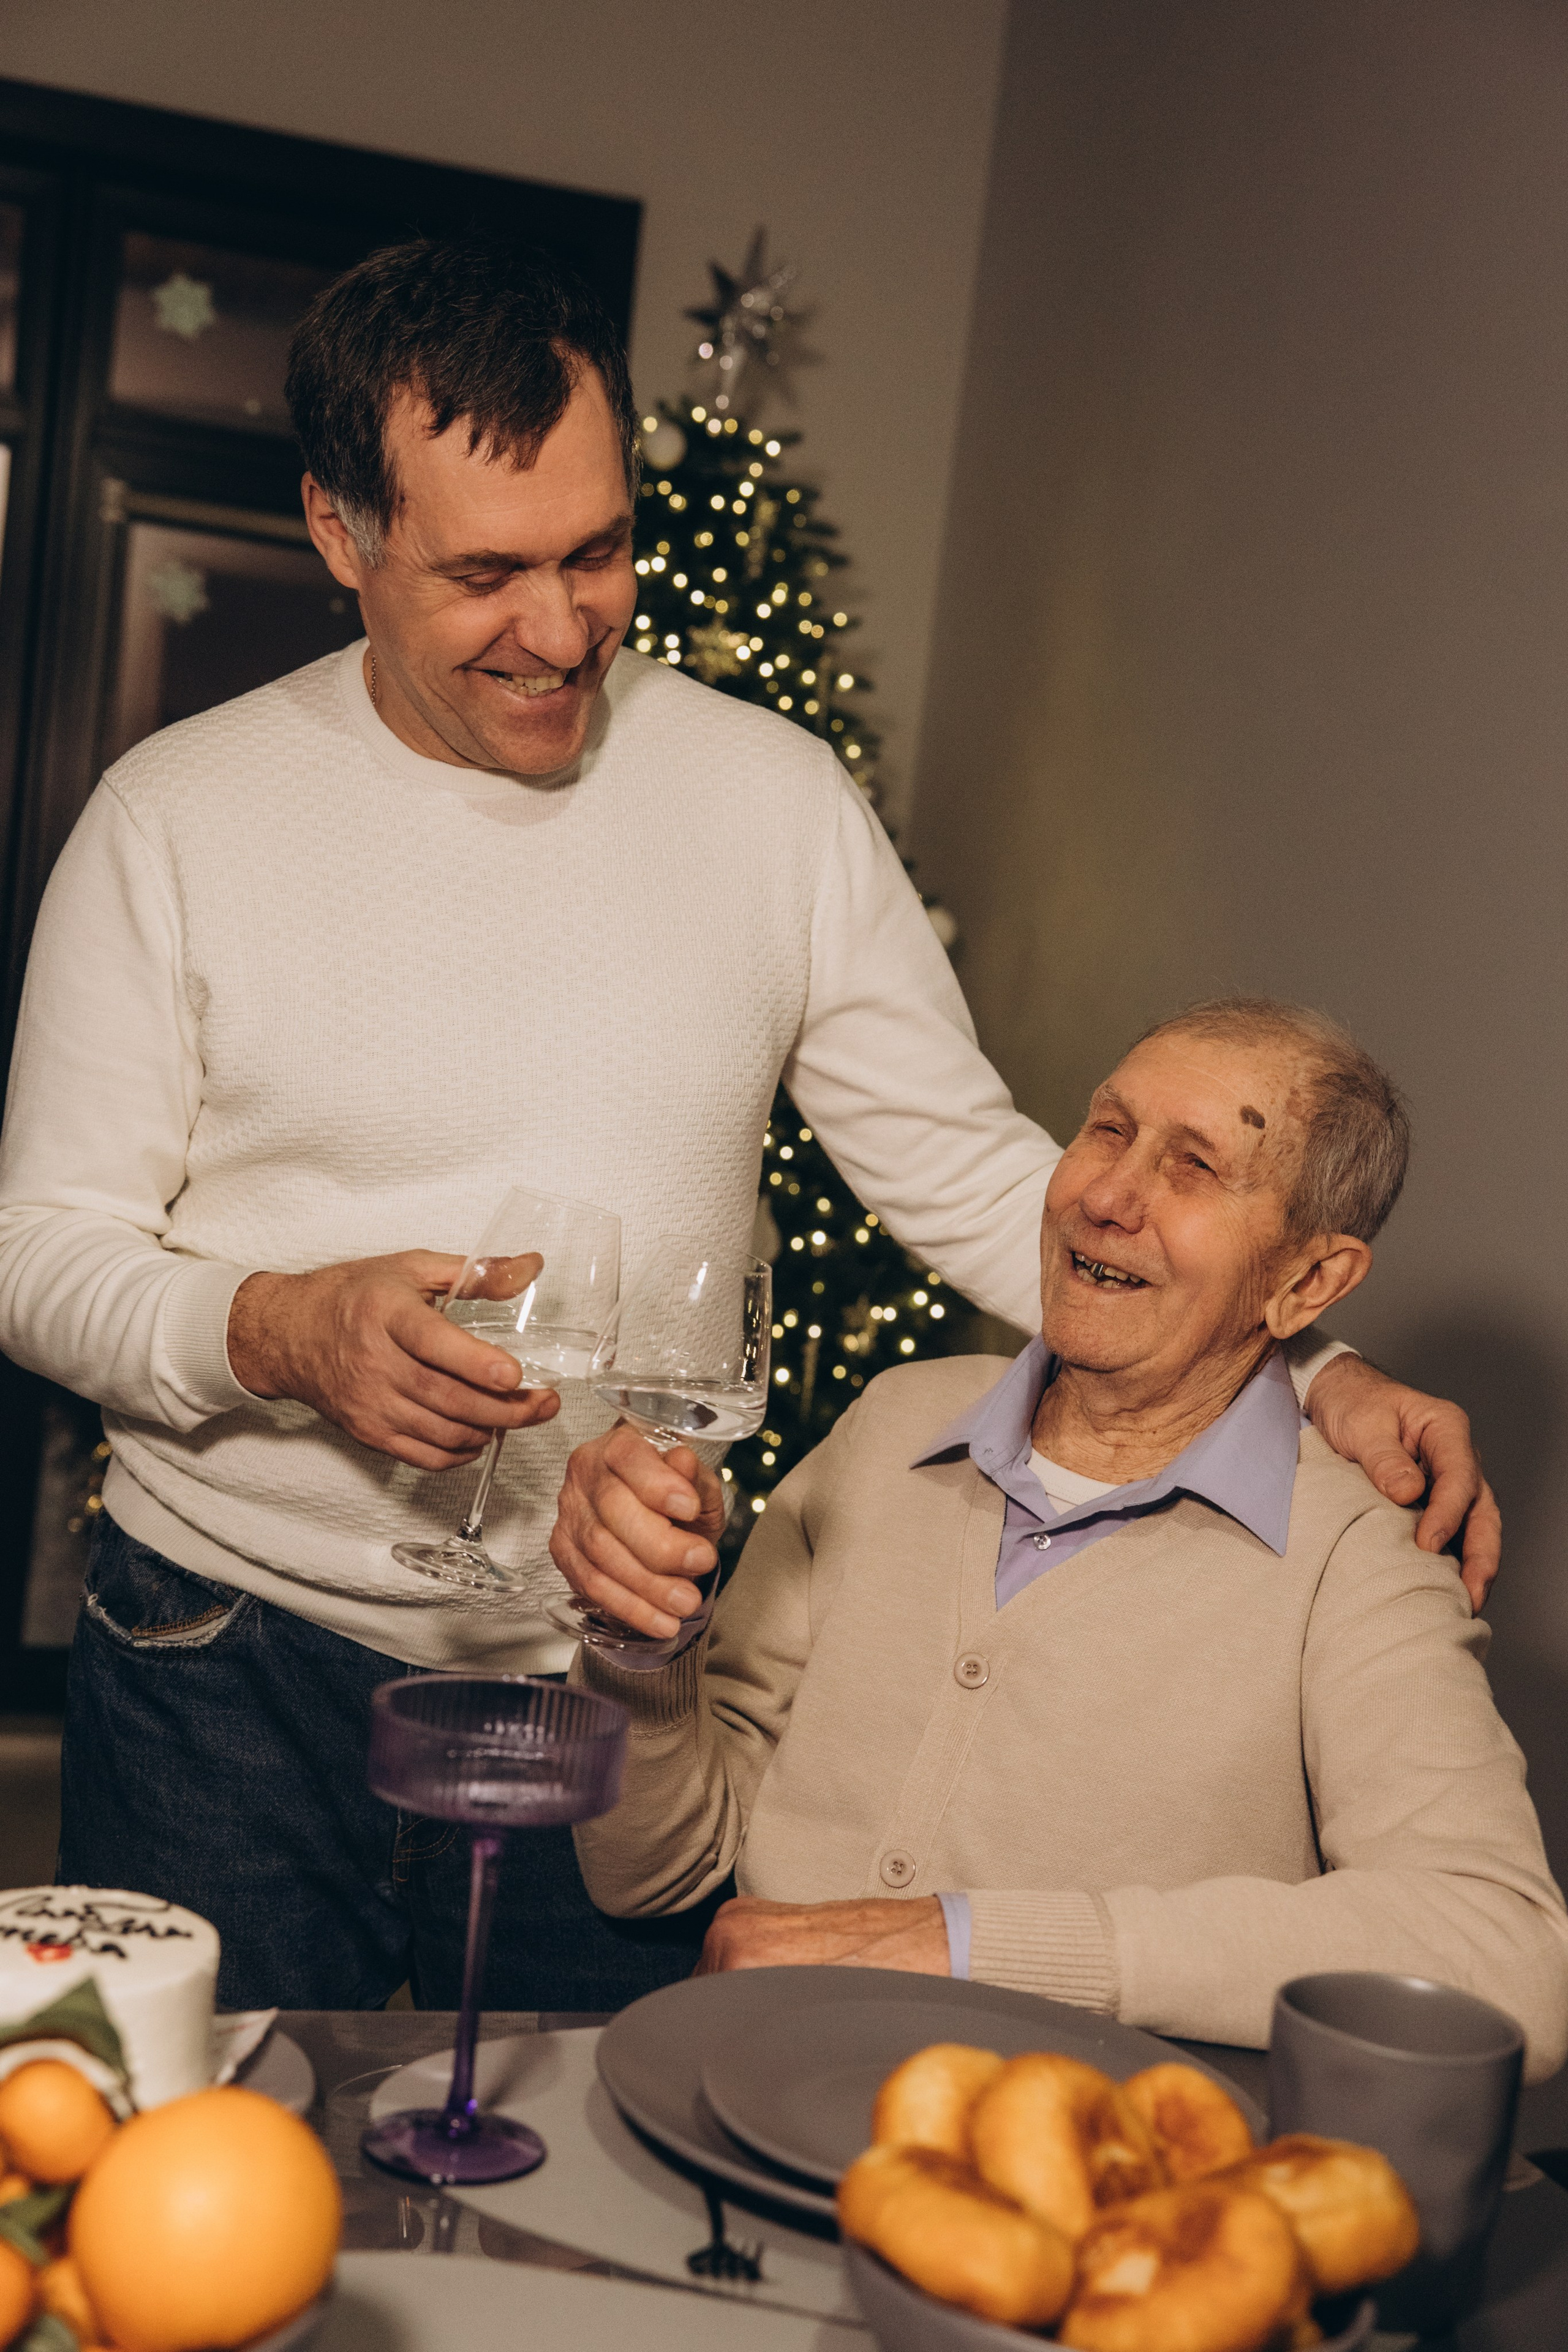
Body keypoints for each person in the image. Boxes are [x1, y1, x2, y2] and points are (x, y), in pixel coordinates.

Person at [0, 236, 1494, 2013]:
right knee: (209, 2179)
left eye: (598, 552)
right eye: (487, 573)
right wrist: (276, 1324)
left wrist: (1311, 1373)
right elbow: (41, 1257)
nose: (563, 631)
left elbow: (970, 1170)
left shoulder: (770, 801)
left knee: (598, 2200)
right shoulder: (170, 822)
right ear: (342, 535)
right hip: (225, 1660)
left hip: (608, 1672)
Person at [567, 1000, 1568, 2078]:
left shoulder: (1357, 1556)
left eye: (1194, 1167)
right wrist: (643, 1651)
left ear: (1308, 1283)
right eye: (1106, 1130)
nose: (1105, 1197)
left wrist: (971, 1945)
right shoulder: (894, 1424)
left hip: (1056, 2192)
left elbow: (1510, 1961)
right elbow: (652, 1875)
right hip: (741, 2106)